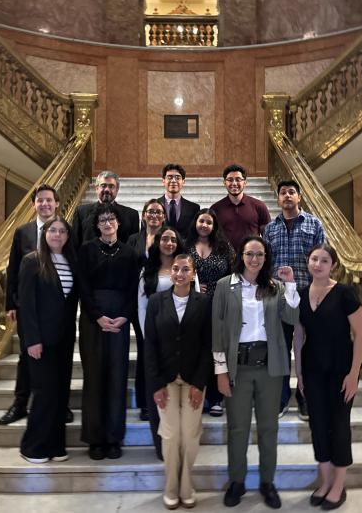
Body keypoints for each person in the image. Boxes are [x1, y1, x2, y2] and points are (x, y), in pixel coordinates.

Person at [212, 236, 300, 509]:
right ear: (241, 255)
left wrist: (292, 285)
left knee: (268, 429)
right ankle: (237, 482)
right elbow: (217, 331)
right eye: (250, 253)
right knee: (237, 428)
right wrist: (221, 371)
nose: (254, 259)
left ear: (265, 258)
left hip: (270, 369)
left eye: (260, 254)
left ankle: (267, 482)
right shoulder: (225, 286)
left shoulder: (274, 287)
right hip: (238, 367)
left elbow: (293, 318)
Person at [295, 244, 362, 510]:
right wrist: (299, 372)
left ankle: (338, 484)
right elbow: (299, 335)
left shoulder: (344, 293)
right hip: (313, 370)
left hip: (341, 371)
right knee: (318, 425)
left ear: (332, 265)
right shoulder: (301, 294)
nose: (318, 264)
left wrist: (354, 373)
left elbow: (359, 335)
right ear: (308, 262)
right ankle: (324, 480)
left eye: (324, 260)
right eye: (314, 259)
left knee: (339, 426)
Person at [0, 184, 73, 426]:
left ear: (57, 203)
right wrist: (11, 302)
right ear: (34, 205)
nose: (45, 204)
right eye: (40, 200)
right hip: (29, 309)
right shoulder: (24, 232)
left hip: (58, 312)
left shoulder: (65, 231)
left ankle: (62, 404)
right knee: (27, 356)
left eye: (49, 200)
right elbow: (13, 268)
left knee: (61, 359)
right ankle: (20, 403)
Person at [145, 253, 212, 510]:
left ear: (193, 274)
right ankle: (171, 486)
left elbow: (208, 345)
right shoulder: (155, 302)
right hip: (165, 379)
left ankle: (187, 485)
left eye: (186, 269)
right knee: (171, 435)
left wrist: (199, 383)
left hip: (194, 379)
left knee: (191, 434)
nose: (181, 274)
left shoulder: (203, 302)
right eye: (176, 269)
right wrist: (156, 385)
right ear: (170, 272)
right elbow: (149, 344)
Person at [77, 202, 138, 460]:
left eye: (111, 219)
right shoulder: (86, 250)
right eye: (102, 220)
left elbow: (134, 287)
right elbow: (82, 286)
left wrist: (124, 316)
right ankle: (94, 439)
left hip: (120, 320)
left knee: (117, 377)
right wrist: (98, 316)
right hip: (93, 320)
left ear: (119, 223)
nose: (108, 223)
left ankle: (114, 438)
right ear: (97, 225)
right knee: (94, 378)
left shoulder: (129, 253)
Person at [17, 216, 81, 463]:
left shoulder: (71, 262)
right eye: (52, 230)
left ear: (67, 236)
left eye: (62, 231)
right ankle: (33, 446)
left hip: (64, 339)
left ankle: (55, 445)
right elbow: (27, 305)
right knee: (44, 393)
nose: (57, 235)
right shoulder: (32, 261)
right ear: (45, 234)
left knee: (60, 393)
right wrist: (32, 340)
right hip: (40, 340)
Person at [262, 179, 325, 422]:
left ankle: (306, 398)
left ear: (298, 197)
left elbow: (322, 259)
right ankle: (280, 398)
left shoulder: (314, 224)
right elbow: (266, 264)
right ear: (278, 199)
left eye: (291, 192)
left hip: (307, 296)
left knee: (307, 350)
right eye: (283, 193)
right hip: (278, 299)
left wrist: (320, 292)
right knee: (279, 349)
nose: (287, 196)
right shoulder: (270, 229)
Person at [138, 226, 187, 459]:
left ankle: (179, 443)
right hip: (156, 340)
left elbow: (193, 304)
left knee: (180, 395)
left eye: (173, 239)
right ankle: (161, 446)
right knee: (158, 392)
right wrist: (149, 337)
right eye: (165, 239)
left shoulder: (185, 269)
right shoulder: (147, 272)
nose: (169, 243)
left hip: (182, 342)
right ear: (157, 242)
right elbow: (141, 307)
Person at [187, 208, 233, 418]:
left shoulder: (224, 248)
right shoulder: (185, 246)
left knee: (217, 351)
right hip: (192, 306)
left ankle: (216, 398)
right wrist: (193, 285)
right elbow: (177, 272)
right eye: (201, 221)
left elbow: (235, 275)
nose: (204, 225)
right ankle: (199, 394)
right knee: (196, 352)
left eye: (209, 222)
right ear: (195, 222)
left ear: (214, 226)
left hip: (220, 306)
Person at [126, 198, 167, 422]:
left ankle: (165, 398)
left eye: (158, 212)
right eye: (150, 212)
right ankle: (145, 402)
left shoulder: (170, 238)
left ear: (164, 217)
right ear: (143, 215)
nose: (154, 215)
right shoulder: (134, 239)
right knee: (145, 352)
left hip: (164, 303)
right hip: (139, 303)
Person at [210, 164, 271, 252]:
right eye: (230, 180)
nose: (234, 183)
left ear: (245, 182)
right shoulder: (215, 208)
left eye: (238, 179)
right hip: (225, 260)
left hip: (251, 260)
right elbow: (212, 238)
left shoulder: (259, 206)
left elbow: (268, 237)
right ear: (224, 183)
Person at [73, 170, 139, 247]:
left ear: (117, 189)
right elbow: (75, 243)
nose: (107, 190)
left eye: (111, 186)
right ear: (97, 188)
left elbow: (134, 247)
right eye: (103, 185)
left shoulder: (131, 215)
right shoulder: (81, 212)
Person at [158, 163, 200, 239]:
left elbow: (196, 235)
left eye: (177, 178)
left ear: (183, 181)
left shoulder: (194, 208)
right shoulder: (154, 205)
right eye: (169, 177)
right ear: (163, 181)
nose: (173, 181)